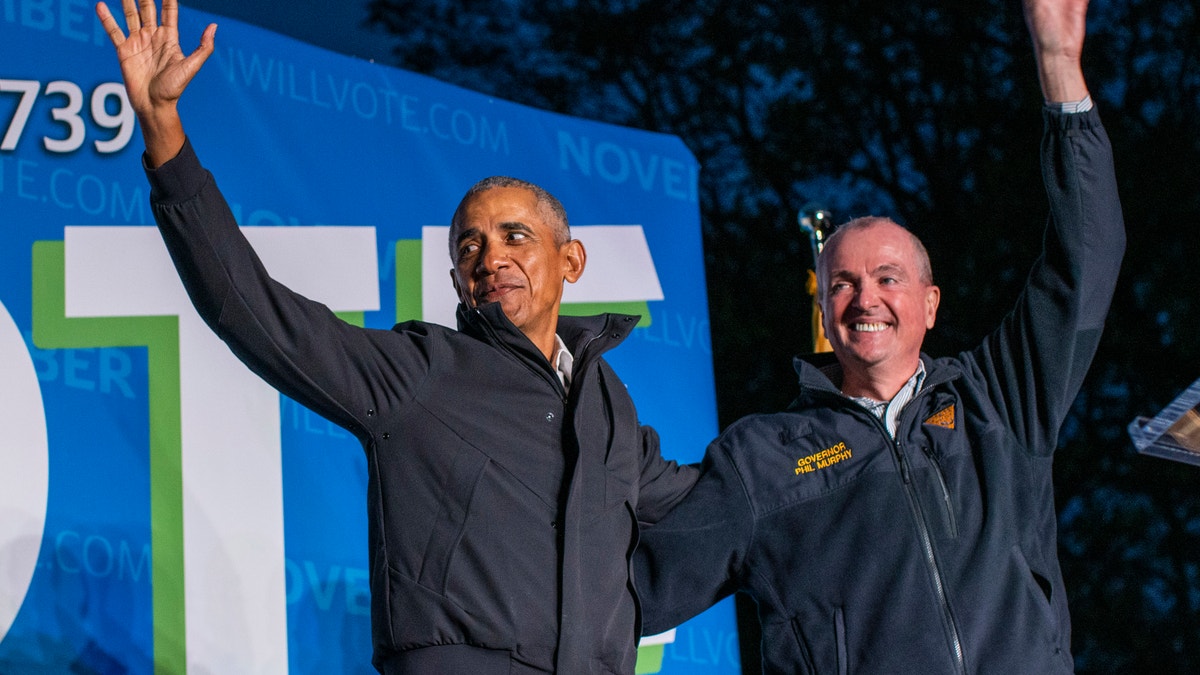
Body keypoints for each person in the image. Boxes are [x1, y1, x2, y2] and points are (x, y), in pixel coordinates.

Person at [95, 1, 698, 673]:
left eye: (514, 237)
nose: (489, 257)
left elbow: (718, 505)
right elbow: (255, 312)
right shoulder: (422, 370)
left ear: (571, 261)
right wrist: (163, 131)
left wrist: (829, 447)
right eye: (470, 245)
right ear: (456, 275)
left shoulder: (607, 401)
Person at [633, 0, 1124, 672]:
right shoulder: (762, 458)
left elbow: (1087, 256)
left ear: (929, 303)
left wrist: (1059, 70)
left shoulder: (999, 400)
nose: (865, 298)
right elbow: (632, 592)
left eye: (888, 278)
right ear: (826, 311)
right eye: (842, 283)